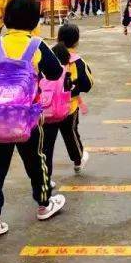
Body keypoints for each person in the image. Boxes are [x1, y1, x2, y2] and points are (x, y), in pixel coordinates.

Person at [0, 0, 66, 238]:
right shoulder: (37, 46)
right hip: (27, 117)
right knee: (35, 161)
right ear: (35, 20)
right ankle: (44, 203)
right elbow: (56, 72)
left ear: (6, 18)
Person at [41, 24, 92, 180]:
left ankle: (46, 178)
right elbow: (88, 84)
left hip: (47, 107)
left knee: (47, 144)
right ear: (76, 41)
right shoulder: (78, 62)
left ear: (58, 37)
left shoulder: (47, 57)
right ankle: (77, 161)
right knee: (71, 134)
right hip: (69, 107)